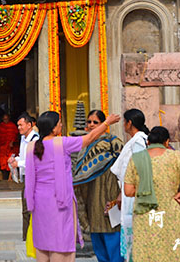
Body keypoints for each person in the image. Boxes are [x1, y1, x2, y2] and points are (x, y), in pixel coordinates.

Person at [25, 111, 120, 261]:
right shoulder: (61, 143)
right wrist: (107, 123)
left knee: (43, 240)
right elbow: (89, 138)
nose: (61, 125)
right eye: (59, 123)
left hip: (39, 200)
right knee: (60, 239)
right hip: (59, 200)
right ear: (53, 128)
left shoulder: (31, 147)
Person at [124, 126, 180, 262]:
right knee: (174, 251)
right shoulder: (175, 157)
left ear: (148, 142)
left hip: (145, 215)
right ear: (166, 142)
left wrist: (145, 190)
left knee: (147, 252)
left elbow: (128, 191)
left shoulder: (136, 159)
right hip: (171, 213)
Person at [73, 110, 124, 262]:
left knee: (112, 233)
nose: (91, 125)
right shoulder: (83, 144)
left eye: (95, 122)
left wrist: (120, 194)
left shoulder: (113, 142)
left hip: (109, 191)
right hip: (91, 195)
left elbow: (125, 167)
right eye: (89, 122)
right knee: (96, 237)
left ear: (103, 124)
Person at [109, 108, 150, 261]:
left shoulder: (139, 141)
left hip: (134, 194)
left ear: (129, 123)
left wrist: (125, 192)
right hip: (128, 192)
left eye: (124, 122)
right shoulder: (134, 141)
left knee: (135, 235)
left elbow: (139, 170)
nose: (123, 125)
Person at [8, 112, 39, 241]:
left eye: (21, 125)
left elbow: (35, 160)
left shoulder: (35, 139)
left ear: (29, 125)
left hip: (33, 177)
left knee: (29, 207)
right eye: (18, 125)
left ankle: (30, 236)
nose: (19, 127)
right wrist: (15, 160)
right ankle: (27, 236)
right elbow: (25, 157)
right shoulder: (23, 139)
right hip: (26, 176)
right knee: (25, 208)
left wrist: (18, 163)